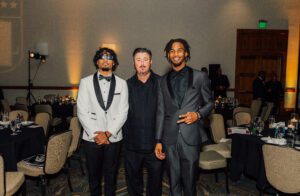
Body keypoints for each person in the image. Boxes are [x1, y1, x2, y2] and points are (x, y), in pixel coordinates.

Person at [155, 38, 214, 196]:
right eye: (172, 51)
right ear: (168, 55)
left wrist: (197, 114)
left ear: (186, 53)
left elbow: (210, 103)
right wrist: (158, 141)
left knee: (189, 182)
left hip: (191, 136)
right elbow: (160, 112)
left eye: (179, 50)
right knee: (173, 180)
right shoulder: (161, 81)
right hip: (169, 137)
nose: (176, 54)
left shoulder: (200, 77)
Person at [77, 47, 129, 196]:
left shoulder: (122, 84)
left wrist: (107, 133)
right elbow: (82, 111)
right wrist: (97, 134)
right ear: (97, 61)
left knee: (111, 176)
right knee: (94, 176)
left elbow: (123, 112)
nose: (106, 60)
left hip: (114, 137)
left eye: (109, 57)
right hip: (91, 137)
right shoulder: (85, 82)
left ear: (114, 63)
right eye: (102, 57)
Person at [123, 48, 163, 196]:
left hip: (156, 145)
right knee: (133, 184)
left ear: (151, 62)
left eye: (145, 59)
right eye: (138, 60)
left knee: (156, 184)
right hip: (132, 144)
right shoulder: (126, 85)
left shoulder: (161, 83)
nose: (142, 63)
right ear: (133, 63)